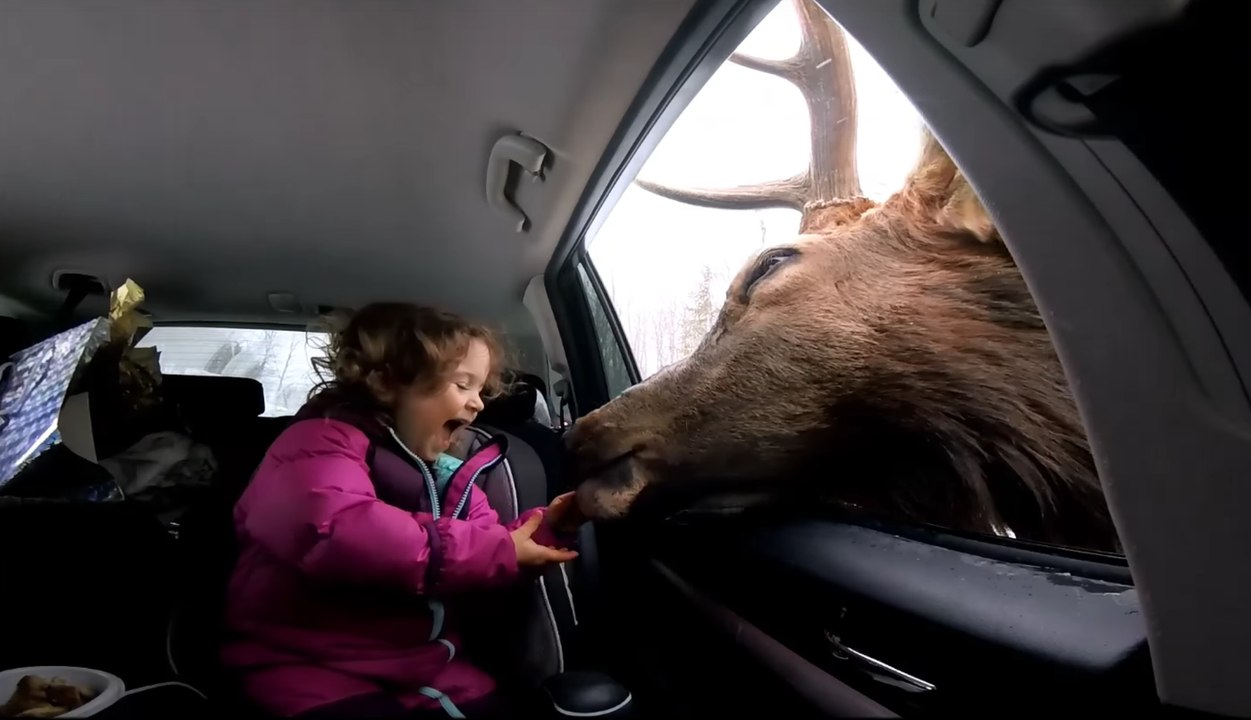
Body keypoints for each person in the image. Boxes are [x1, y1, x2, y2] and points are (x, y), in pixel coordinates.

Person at [219, 303, 582, 719]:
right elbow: (340, 534)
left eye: (481, 390)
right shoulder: (317, 443)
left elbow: (490, 546)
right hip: (306, 667)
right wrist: (495, 549)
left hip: (423, 667)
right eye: (463, 385)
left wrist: (548, 529)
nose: (478, 404)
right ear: (387, 382)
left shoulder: (448, 476)